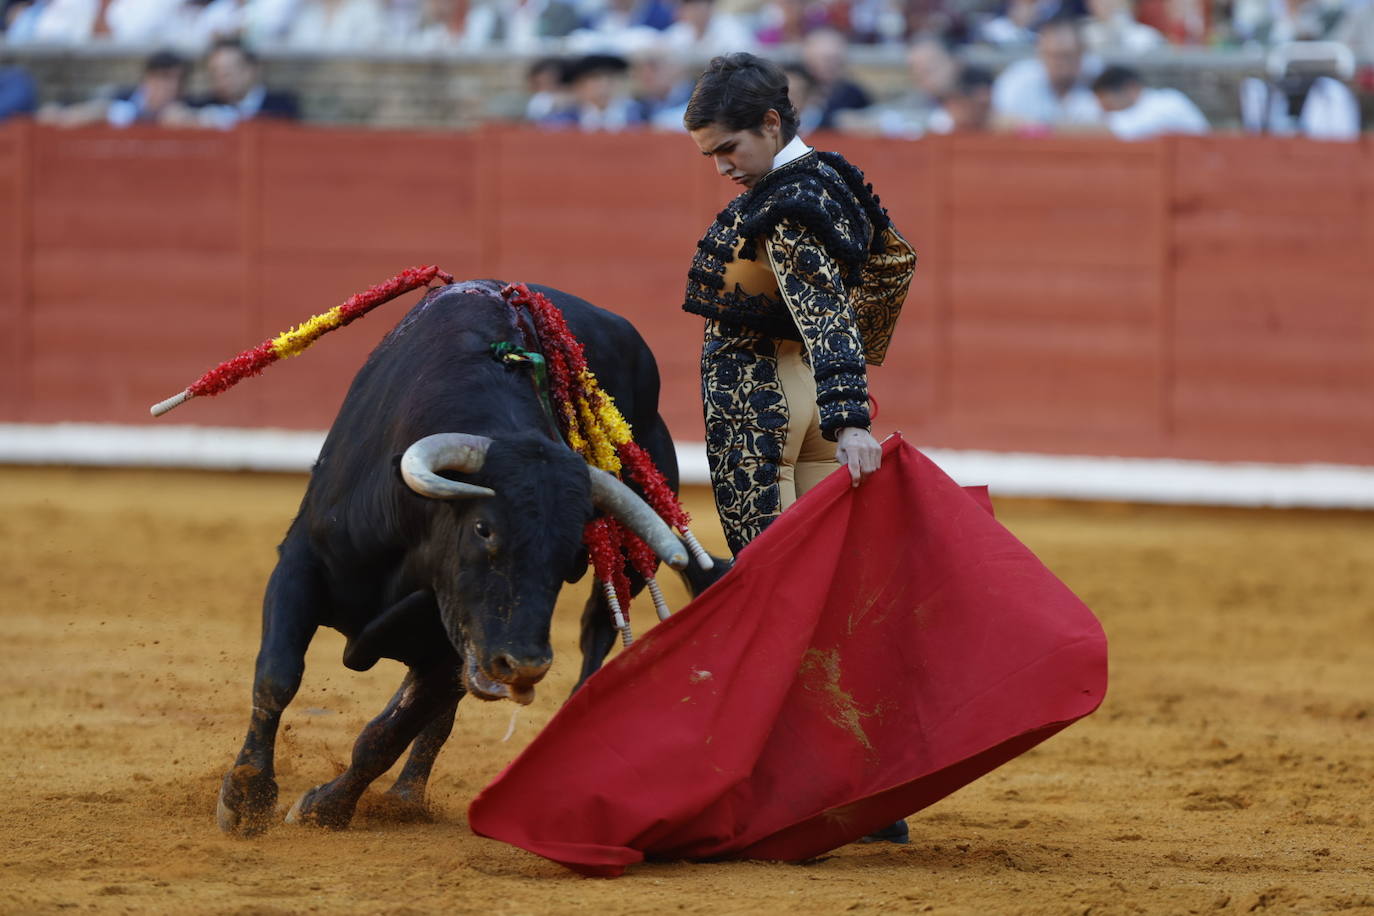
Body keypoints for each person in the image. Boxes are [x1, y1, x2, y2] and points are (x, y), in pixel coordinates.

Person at [680, 52, 918, 843]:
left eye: (728, 151)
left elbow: (820, 314)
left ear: (771, 123)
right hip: (809, 399)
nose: (721, 169)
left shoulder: (782, 206)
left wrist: (852, 411)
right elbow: (891, 266)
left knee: (771, 599)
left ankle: (789, 790)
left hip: (759, 405)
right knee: (829, 599)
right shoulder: (834, 178)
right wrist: (838, 391)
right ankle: (867, 792)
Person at [991, 13, 1102, 130]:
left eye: (1066, 55)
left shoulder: (1099, 77)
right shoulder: (1018, 79)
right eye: (1052, 55)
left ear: (1081, 54)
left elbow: (1115, 127)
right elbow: (997, 121)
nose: (1059, 63)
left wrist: (1045, 129)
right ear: (1041, 53)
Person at [188, 37, 299, 128]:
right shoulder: (202, 106)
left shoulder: (282, 105)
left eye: (229, 70)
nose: (222, 78)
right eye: (215, 72)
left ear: (252, 69)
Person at [1091, 64, 1208, 138]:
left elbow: (1117, 131)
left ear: (1130, 88)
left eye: (1109, 105)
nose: (1106, 110)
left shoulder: (1168, 102)